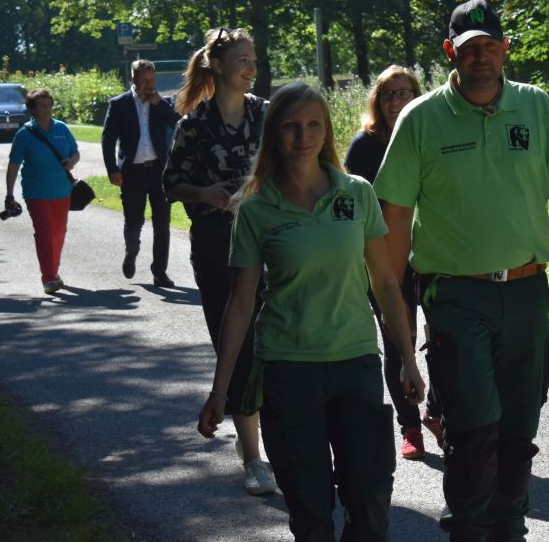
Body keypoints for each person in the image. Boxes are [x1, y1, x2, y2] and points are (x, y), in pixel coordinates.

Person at [375, 0, 549, 542]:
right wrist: (393, 301)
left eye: (490, 46)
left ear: (504, 48)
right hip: (456, 296)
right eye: (469, 48)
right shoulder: (421, 118)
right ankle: (468, 529)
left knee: (520, 423)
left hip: (527, 290)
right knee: (475, 425)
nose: (481, 57)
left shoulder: (536, 107)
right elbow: (396, 219)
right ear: (451, 52)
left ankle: (509, 526)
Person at [198, 82, 425, 541]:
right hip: (288, 371)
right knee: (311, 512)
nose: (303, 136)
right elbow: (240, 304)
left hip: (356, 363)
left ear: (327, 131)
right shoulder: (256, 206)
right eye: (291, 126)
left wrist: (407, 359)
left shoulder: (356, 193)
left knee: (370, 505)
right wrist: (220, 391)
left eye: (313, 125)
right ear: (274, 135)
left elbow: (385, 282)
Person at [163, 27, 276, 497]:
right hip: (216, 249)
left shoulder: (268, 116)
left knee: (281, 344)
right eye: (243, 60)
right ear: (219, 66)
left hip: (272, 244)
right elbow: (171, 184)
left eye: (254, 60)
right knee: (238, 349)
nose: (251, 67)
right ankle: (252, 456)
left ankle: (291, 445)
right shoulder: (194, 124)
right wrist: (205, 193)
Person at [343, 65, 444, 460]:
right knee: (397, 342)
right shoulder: (364, 146)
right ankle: (410, 426)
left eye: (403, 93)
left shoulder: (433, 135)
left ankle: (436, 412)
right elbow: (353, 207)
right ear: (376, 100)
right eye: (387, 94)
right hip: (384, 259)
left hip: (435, 253)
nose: (394, 102)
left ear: (416, 96)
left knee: (441, 340)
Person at [101, 59, 181, 287]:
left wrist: (159, 103)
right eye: (145, 80)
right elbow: (108, 140)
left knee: (162, 224)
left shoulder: (161, 102)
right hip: (132, 173)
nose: (149, 85)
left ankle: (160, 272)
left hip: (158, 171)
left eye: (152, 80)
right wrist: (112, 170)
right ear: (133, 79)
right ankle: (131, 252)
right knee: (134, 222)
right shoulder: (119, 104)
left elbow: (179, 123)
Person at [5, 88, 80, 295]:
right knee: (45, 233)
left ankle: (53, 272)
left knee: (59, 232)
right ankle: (48, 277)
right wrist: (9, 194)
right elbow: (13, 166)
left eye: (49, 105)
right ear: (32, 110)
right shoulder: (24, 135)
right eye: (42, 106)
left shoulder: (61, 128)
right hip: (36, 193)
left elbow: (76, 153)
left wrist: (70, 162)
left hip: (62, 191)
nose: (47, 110)